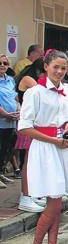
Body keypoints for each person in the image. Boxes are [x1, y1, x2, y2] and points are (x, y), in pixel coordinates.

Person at [18, 50, 68, 244]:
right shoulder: (35, 92)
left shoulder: (66, 90)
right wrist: (55, 140)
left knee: (59, 199)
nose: (59, 71)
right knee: (54, 201)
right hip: (46, 149)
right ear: (46, 66)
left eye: (63, 68)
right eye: (55, 67)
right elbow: (25, 127)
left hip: (64, 146)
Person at [14, 59, 47, 213]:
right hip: (28, 125)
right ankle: (25, 196)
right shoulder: (29, 80)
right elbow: (44, 94)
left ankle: (30, 193)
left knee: (33, 162)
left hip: (34, 125)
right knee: (27, 163)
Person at [0, 55, 19, 187]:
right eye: (0, 63)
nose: (2, 65)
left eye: (5, 63)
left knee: (7, 149)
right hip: (2, 120)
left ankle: (1, 172)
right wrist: (5, 113)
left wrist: (19, 110)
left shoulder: (10, 80)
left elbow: (16, 97)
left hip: (11, 121)